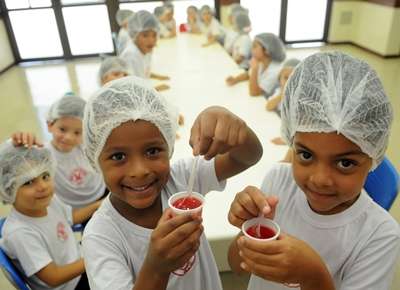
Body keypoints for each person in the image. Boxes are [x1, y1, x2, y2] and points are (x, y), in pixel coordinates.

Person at [227, 51, 400, 290]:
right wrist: (247, 230)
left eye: (345, 163)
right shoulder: (278, 180)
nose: (320, 179)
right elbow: (237, 266)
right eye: (306, 155)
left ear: (373, 157)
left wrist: (313, 276)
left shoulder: (379, 235)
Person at [81, 76, 263, 290]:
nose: (139, 171)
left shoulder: (183, 179)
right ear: (95, 160)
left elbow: (248, 156)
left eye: (152, 151)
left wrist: (233, 126)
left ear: (169, 145)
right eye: (118, 156)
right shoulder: (101, 236)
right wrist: (156, 268)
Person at [0, 141, 101, 290]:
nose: (42, 186)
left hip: (78, 261)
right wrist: (95, 257)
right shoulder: (20, 233)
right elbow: (54, 278)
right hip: (71, 285)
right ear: (8, 190)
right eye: (28, 182)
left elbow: (69, 218)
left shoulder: (48, 202)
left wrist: (100, 205)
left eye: (45, 176)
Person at [12, 94, 107, 209]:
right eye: (62, 129)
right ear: (50, 125)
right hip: (75, 209)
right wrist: (19, 142)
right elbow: (18, 161)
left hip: (102, 194)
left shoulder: (86, 147)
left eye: (77, 132)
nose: (69, 137)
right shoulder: (43, 154)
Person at [120, 10, 170, 91]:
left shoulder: (145, 49)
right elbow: (133, 90)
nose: (151, 40)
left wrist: (158, 77)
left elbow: (144, 72)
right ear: (134, 34)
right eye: (145, 35)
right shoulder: (131, 55)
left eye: (154, 35)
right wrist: (156, 89)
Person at [226, 33, 286, 98]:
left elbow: (254, 92)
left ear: (267, 50)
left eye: (254, 46)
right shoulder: (261, 62)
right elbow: (248, 74)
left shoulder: (276, 71)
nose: (251, 49)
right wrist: (235, 79)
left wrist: (255, 69)